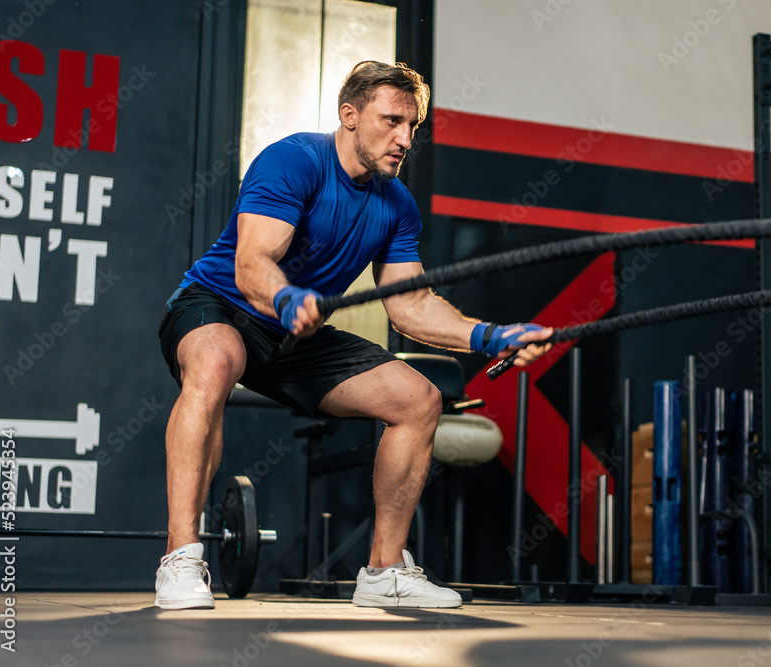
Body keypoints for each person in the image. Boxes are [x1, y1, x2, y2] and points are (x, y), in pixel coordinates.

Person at [154, 61, 552, 610]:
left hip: (297, 334)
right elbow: (252, 264)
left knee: (419, 400)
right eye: (391, 121)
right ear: (349, 115)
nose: (404, 138)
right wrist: (287, 297)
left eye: (411, 126)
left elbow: (410, 305)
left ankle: (384, 570)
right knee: (217, 363)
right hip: (222, 306)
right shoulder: (294, 160)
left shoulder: (396, 204)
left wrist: (490, 335)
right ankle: (181, 557)